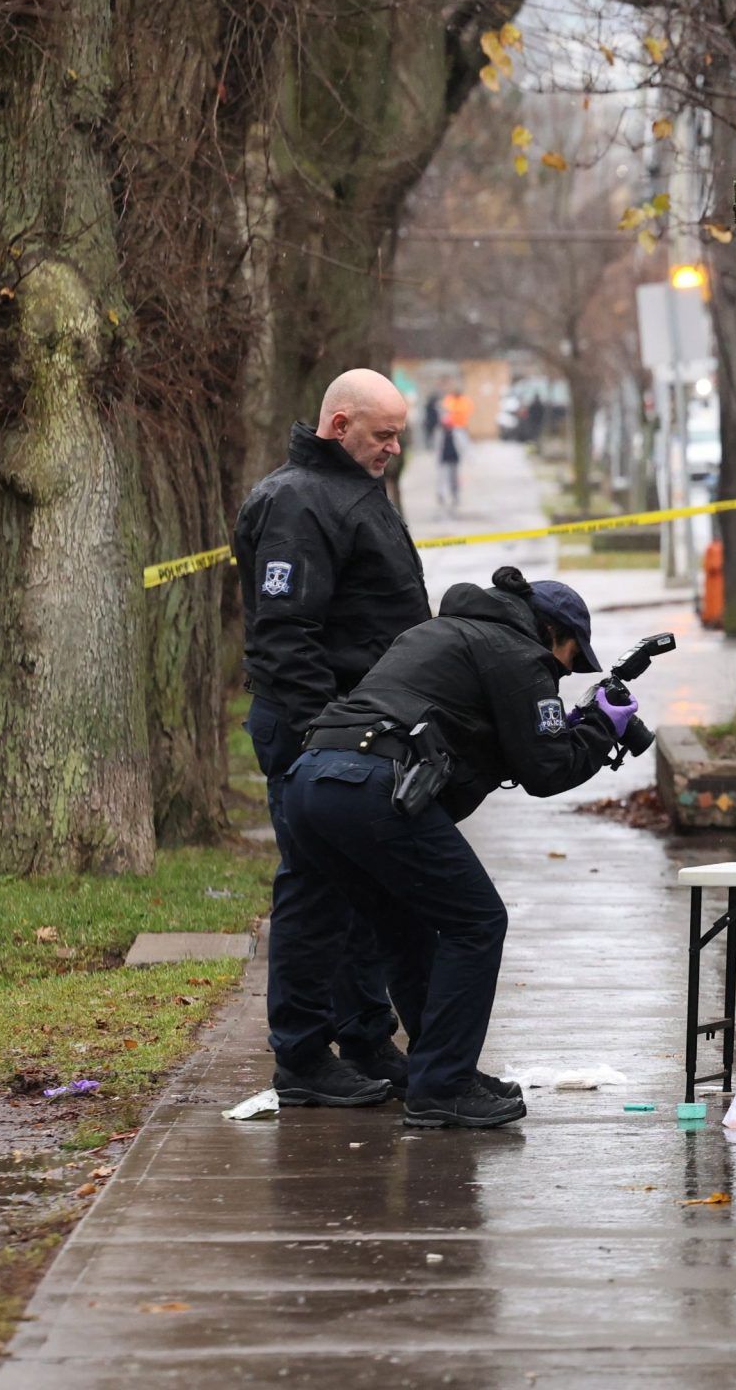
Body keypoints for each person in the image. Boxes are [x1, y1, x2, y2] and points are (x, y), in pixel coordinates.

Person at [281, 567, 634, 1129]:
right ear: (550, 631)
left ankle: (441, 1072)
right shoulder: (520, 655)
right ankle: (442, 1085)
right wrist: (600, 730)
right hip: (372, 786)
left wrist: (555, 724)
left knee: (404, 922)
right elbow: (546, 770)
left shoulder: (437, 633)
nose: (565, 673)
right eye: (570, 658)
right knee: (477, 920)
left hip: (311, 779)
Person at [233, 368, 431, 1108]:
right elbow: (286, 636)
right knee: (316, 891)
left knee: (362, 887)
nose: (394, 449)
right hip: (317, 731)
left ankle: (365, 1034)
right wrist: (330, 734)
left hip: (356, 728)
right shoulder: (298, 501)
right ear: (339, 424)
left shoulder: (344, 491)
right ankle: (304, 1055)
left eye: (399, 435)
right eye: (383, 435)